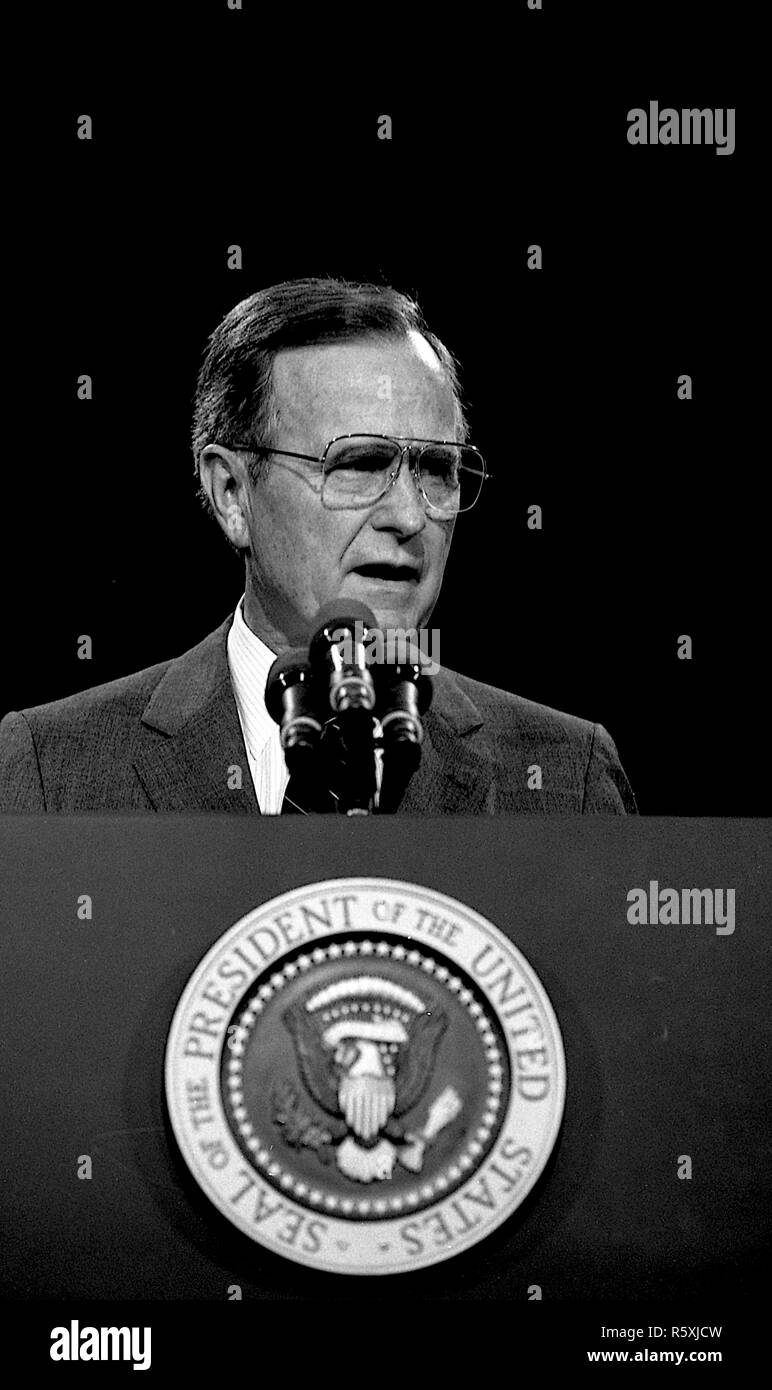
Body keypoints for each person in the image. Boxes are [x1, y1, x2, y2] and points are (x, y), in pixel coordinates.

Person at [0, 278, 636, 814]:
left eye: (438, 471)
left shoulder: (562, 779)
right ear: (232, 495)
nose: (410, 516)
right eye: (359, 465)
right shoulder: (53, 770)